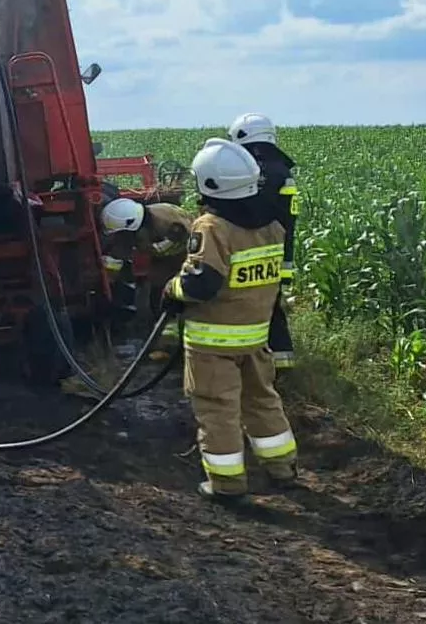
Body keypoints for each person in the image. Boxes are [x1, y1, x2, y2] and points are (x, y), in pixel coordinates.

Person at [162, 137, 298, 499]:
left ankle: (226, 483)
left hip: (213, 344)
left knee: (218, 410)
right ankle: (282, 467)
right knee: (262, 400)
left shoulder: (211, 227)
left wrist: (172, 290)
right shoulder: (272, 226)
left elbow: (201, 283)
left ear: (209, 184)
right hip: (255, 338)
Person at [227, 112, 299, 371]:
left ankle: (252, 364)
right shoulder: (282, 171)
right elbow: (288, 221)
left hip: (251, 251)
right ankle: (283, 361)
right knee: (272, 306)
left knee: (248, 307)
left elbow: (245, 213)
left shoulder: (253, 170)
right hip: (278, 254)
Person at [100, 197, 194, 329]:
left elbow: (174, 248)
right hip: (164, 257)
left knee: (168, 292)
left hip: (183, 258)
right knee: (152, 288)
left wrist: (145, 250)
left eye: (122, 234)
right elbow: (122, 249)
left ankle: (169, 328)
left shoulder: (169, 224)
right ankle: (154, 324)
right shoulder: (139, 223)